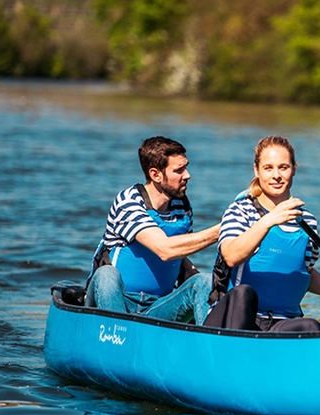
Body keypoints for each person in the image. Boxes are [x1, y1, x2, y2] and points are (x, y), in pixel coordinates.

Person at [203, 135, 320, 332]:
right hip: (233, 318)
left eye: (283, 167)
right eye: (268, 168)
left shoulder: (307, 221)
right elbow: (231, 256)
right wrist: (269, 220)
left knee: (311, 326)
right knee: (243, 293)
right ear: (256, 170)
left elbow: (302, 273)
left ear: (294, 170)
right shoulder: (239, 211)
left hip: (280, 323)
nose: (276, 175)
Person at [85, 136, 220, 323]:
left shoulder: (182, 206)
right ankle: (117, 334)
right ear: (156, 175)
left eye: (186, 167)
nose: (187, 175)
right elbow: (164, 249)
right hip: (116, 300)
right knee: (107, 275)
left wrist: (209, 292)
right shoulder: (129, 202)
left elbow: (178, 256)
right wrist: (223, 229)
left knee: (204, 281)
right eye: (179, 170)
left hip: (158, 307)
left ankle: (211, 343)